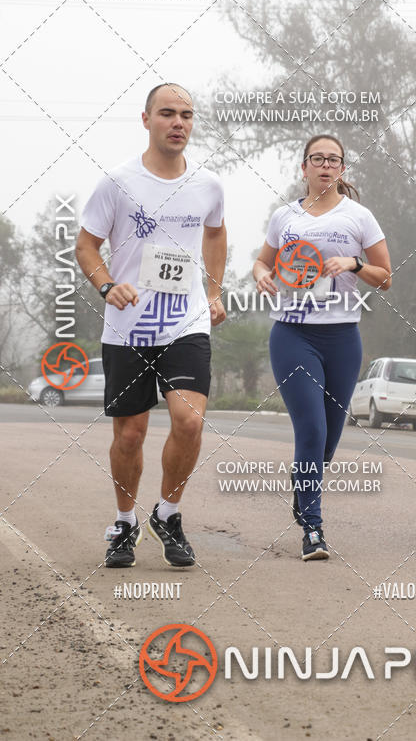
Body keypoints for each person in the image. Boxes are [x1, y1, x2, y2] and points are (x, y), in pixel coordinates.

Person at [76, 83, 226, 568]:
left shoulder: (207, 184)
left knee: (189, 419)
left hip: (185, 320)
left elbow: (217, 231)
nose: (178, 122)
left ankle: (168, 513)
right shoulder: (116, 183)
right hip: (128, 326)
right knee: (130, 436)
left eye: (186, 114)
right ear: (146, 120)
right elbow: (85, 246)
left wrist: (215, 290)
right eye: (167, 114)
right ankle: (124, 523)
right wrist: (106, 286)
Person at [252, 134, 392, 560]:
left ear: (343, 169)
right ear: (304, 167)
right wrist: (261, 274)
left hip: (342, 337)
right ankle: (313, 527)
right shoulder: (285, 217)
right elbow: (263, 260)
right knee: (310, 429)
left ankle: (303, 495)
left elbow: (385, 276)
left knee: (329, 436)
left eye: (334, 160)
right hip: (293, 333)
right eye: (318, 159)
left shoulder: (360, 217)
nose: (326, 166)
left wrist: (354, 263)